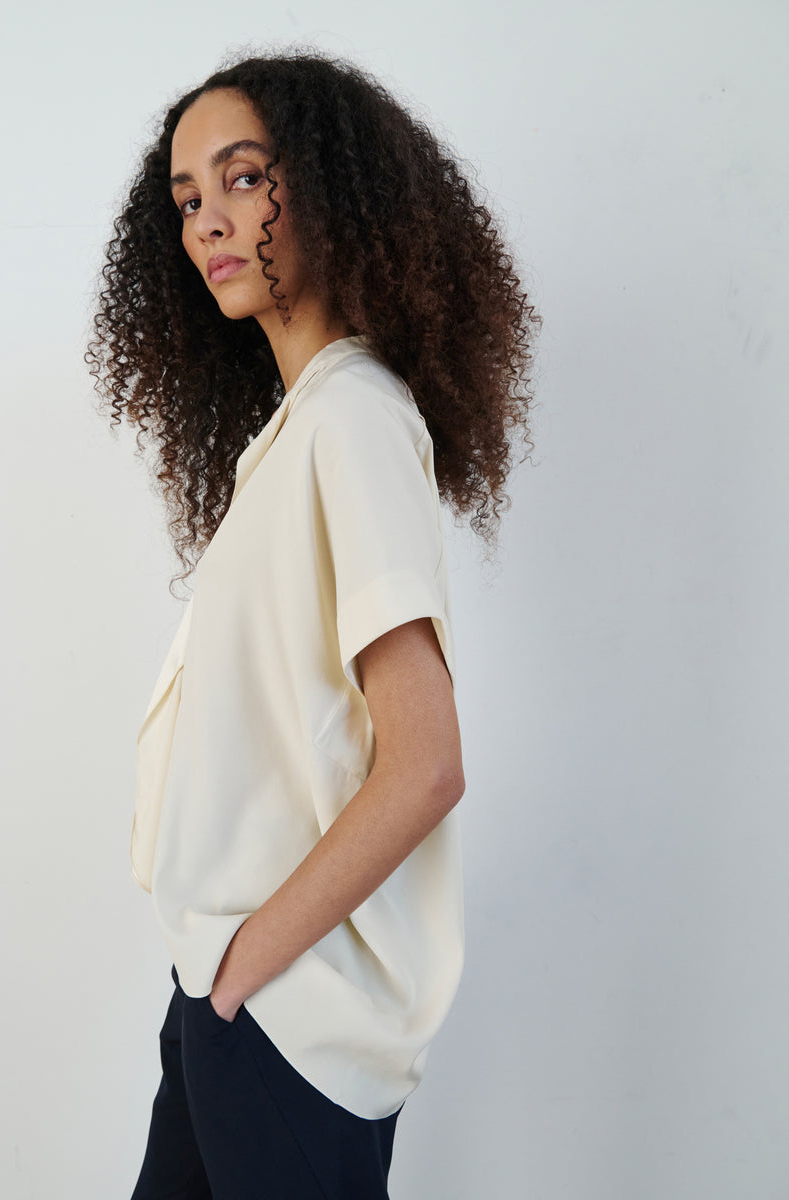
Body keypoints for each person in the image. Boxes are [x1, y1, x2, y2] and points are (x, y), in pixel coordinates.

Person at [86, 46, 539, 1200]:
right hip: (225, 999)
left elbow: (426, 764)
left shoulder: (353, 418)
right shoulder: (292, 438)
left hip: (282, 1013)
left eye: (243, 179)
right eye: (188, 199)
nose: (208, 223)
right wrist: (217, 981)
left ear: (329, 190)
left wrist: (248, 968)